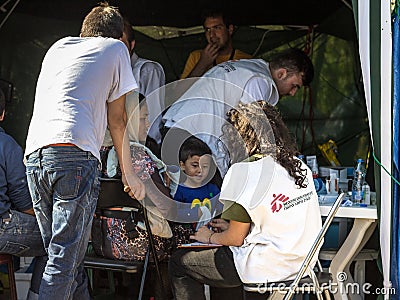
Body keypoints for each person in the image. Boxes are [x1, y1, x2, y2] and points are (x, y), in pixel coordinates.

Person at [24, 3, 145, 299]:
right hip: (74, 155)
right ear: (118, 37)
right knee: (65, 260)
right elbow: (118, 121)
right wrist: (130, 175)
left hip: (35, 156)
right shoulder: (116, 50)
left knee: (65, 256)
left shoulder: (58, 47)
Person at [168, 101, 323, 300]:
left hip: (267, 266)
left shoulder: (243, 172)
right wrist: (233, 226)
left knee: (179, 262)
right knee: (223, 258)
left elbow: (235, 239)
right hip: (303, 263)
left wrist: (208, 237)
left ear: (237, 138)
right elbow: (278, 220)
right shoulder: (298, 165)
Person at [162, 48, 314, 175]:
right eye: (294, 86)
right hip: (194, 137)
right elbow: (249, 131)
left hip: (175, 124)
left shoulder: (249, 67)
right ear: (281, 74)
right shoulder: (261, 82)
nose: (293, 92)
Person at [0, 89, 47, 299]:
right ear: (2, 115)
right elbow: (23, 201)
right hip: (2, 227)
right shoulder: (6, 144)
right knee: (57, 240)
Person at [123, 19, 166, 146]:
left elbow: (153, 119)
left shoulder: (147, 70)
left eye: (121, 44)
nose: (116, 49)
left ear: (132, 44)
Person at [180, 8, 252, 79]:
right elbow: (182, 90)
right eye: (208, 29)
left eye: (217, 28)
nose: (211, 35)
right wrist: (202, 64)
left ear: (230, 29)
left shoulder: (246, 60)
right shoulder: (196, 57)